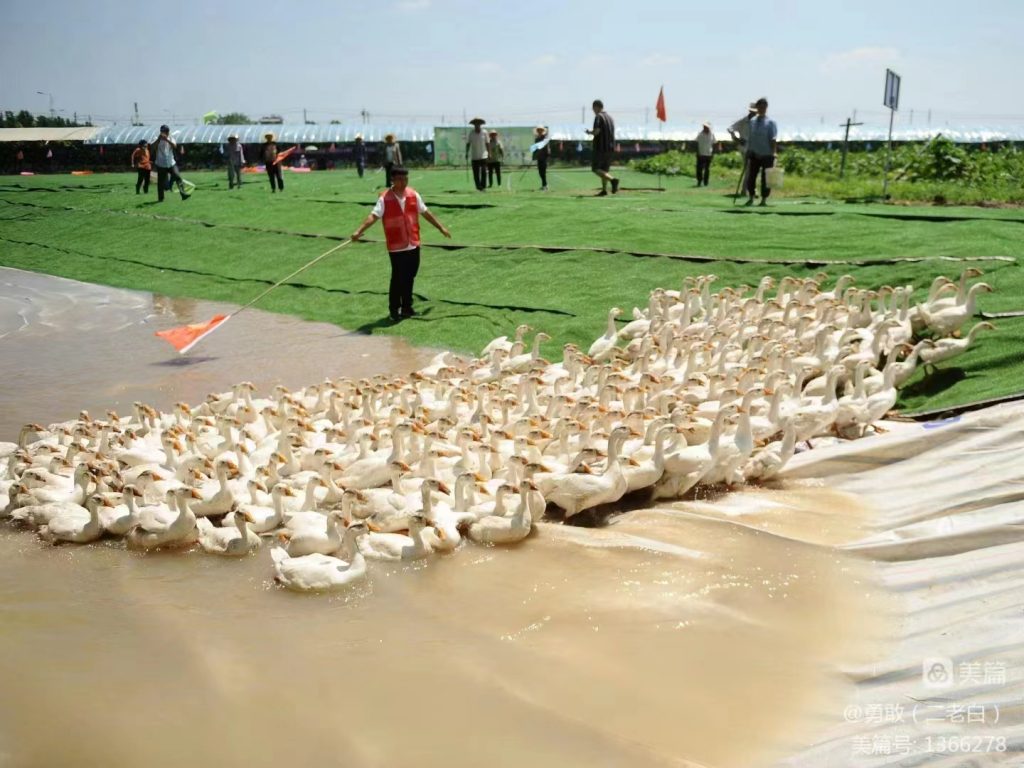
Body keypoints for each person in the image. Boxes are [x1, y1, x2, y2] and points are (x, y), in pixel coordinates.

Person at [350, 167, 451, 322]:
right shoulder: (385, 198)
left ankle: (407, 308)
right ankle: (394, 309)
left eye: (405, 179)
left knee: (410, 276)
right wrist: (358, 231)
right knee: (397, 278)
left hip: (413, 243)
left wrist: (441, 227)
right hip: (396, 246)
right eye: (399, 179)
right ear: (392, 180)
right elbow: (373, 216)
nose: (403, 182)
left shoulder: (413, 194)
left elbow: (425, 212)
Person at [744, 97, 778, 206]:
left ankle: (764, 199)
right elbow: (750, 138)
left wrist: (774, 153)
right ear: (757, 107)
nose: (762, 109)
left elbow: (773, 139)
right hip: (754, 153)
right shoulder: (752, 121)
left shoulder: (771, 122)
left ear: (766, 108)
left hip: (767, 154)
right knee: (751, 177)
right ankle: (751, 197)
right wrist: (748, 150)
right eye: (760, 106)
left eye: (764, 107)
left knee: (766, 179)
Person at [585, 99, 618, 195]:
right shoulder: (610, 118)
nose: (593, 111)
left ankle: (613, 180)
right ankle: (604, 190)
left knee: (595, 168)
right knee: (604, 170)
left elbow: (597, 131)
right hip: (611, 147)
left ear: (596, 107)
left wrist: (589, 132)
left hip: (600, 148)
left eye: (593, 108)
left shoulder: (598, 117)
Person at [153, 125, 190, 202]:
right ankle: (161, 198)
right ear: (161, 132)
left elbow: (175, 146)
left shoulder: (171, 138)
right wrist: (159, 139)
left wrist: (167, 140)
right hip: (161, 164)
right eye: (164, 132)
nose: (166, 133)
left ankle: (183, 194)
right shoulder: (156, 138)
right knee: (161, 182)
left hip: (171, 163)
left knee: (178, 177)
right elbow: (152, 147)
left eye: (167, 132)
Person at [466, 118, 488, 191]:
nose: (477, 125)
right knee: (476, 173)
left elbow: (487, 143)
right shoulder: (471, 133)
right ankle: (478, 187)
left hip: (483, 155)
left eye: (478, 124)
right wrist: (466, 152)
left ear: (480, 125)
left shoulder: (484, 132)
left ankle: (483, 186)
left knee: (484, 171)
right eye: (475, 124)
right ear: (474, 125)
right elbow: (468, 144)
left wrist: (489, 153)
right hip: (474, 156)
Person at [532, 126, 550, 191]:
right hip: (539, 157)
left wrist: (547, 155)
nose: (540, 131)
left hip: (544, 157)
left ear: (542, 131)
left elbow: (547, 149)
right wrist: (534, 157)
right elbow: (535, 148)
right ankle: (544, 185)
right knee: (540, 172)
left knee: (543, 172)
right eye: (538, 130)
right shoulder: (536, 139)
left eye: (541, 130)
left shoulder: (545, 139)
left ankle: (545, 186)